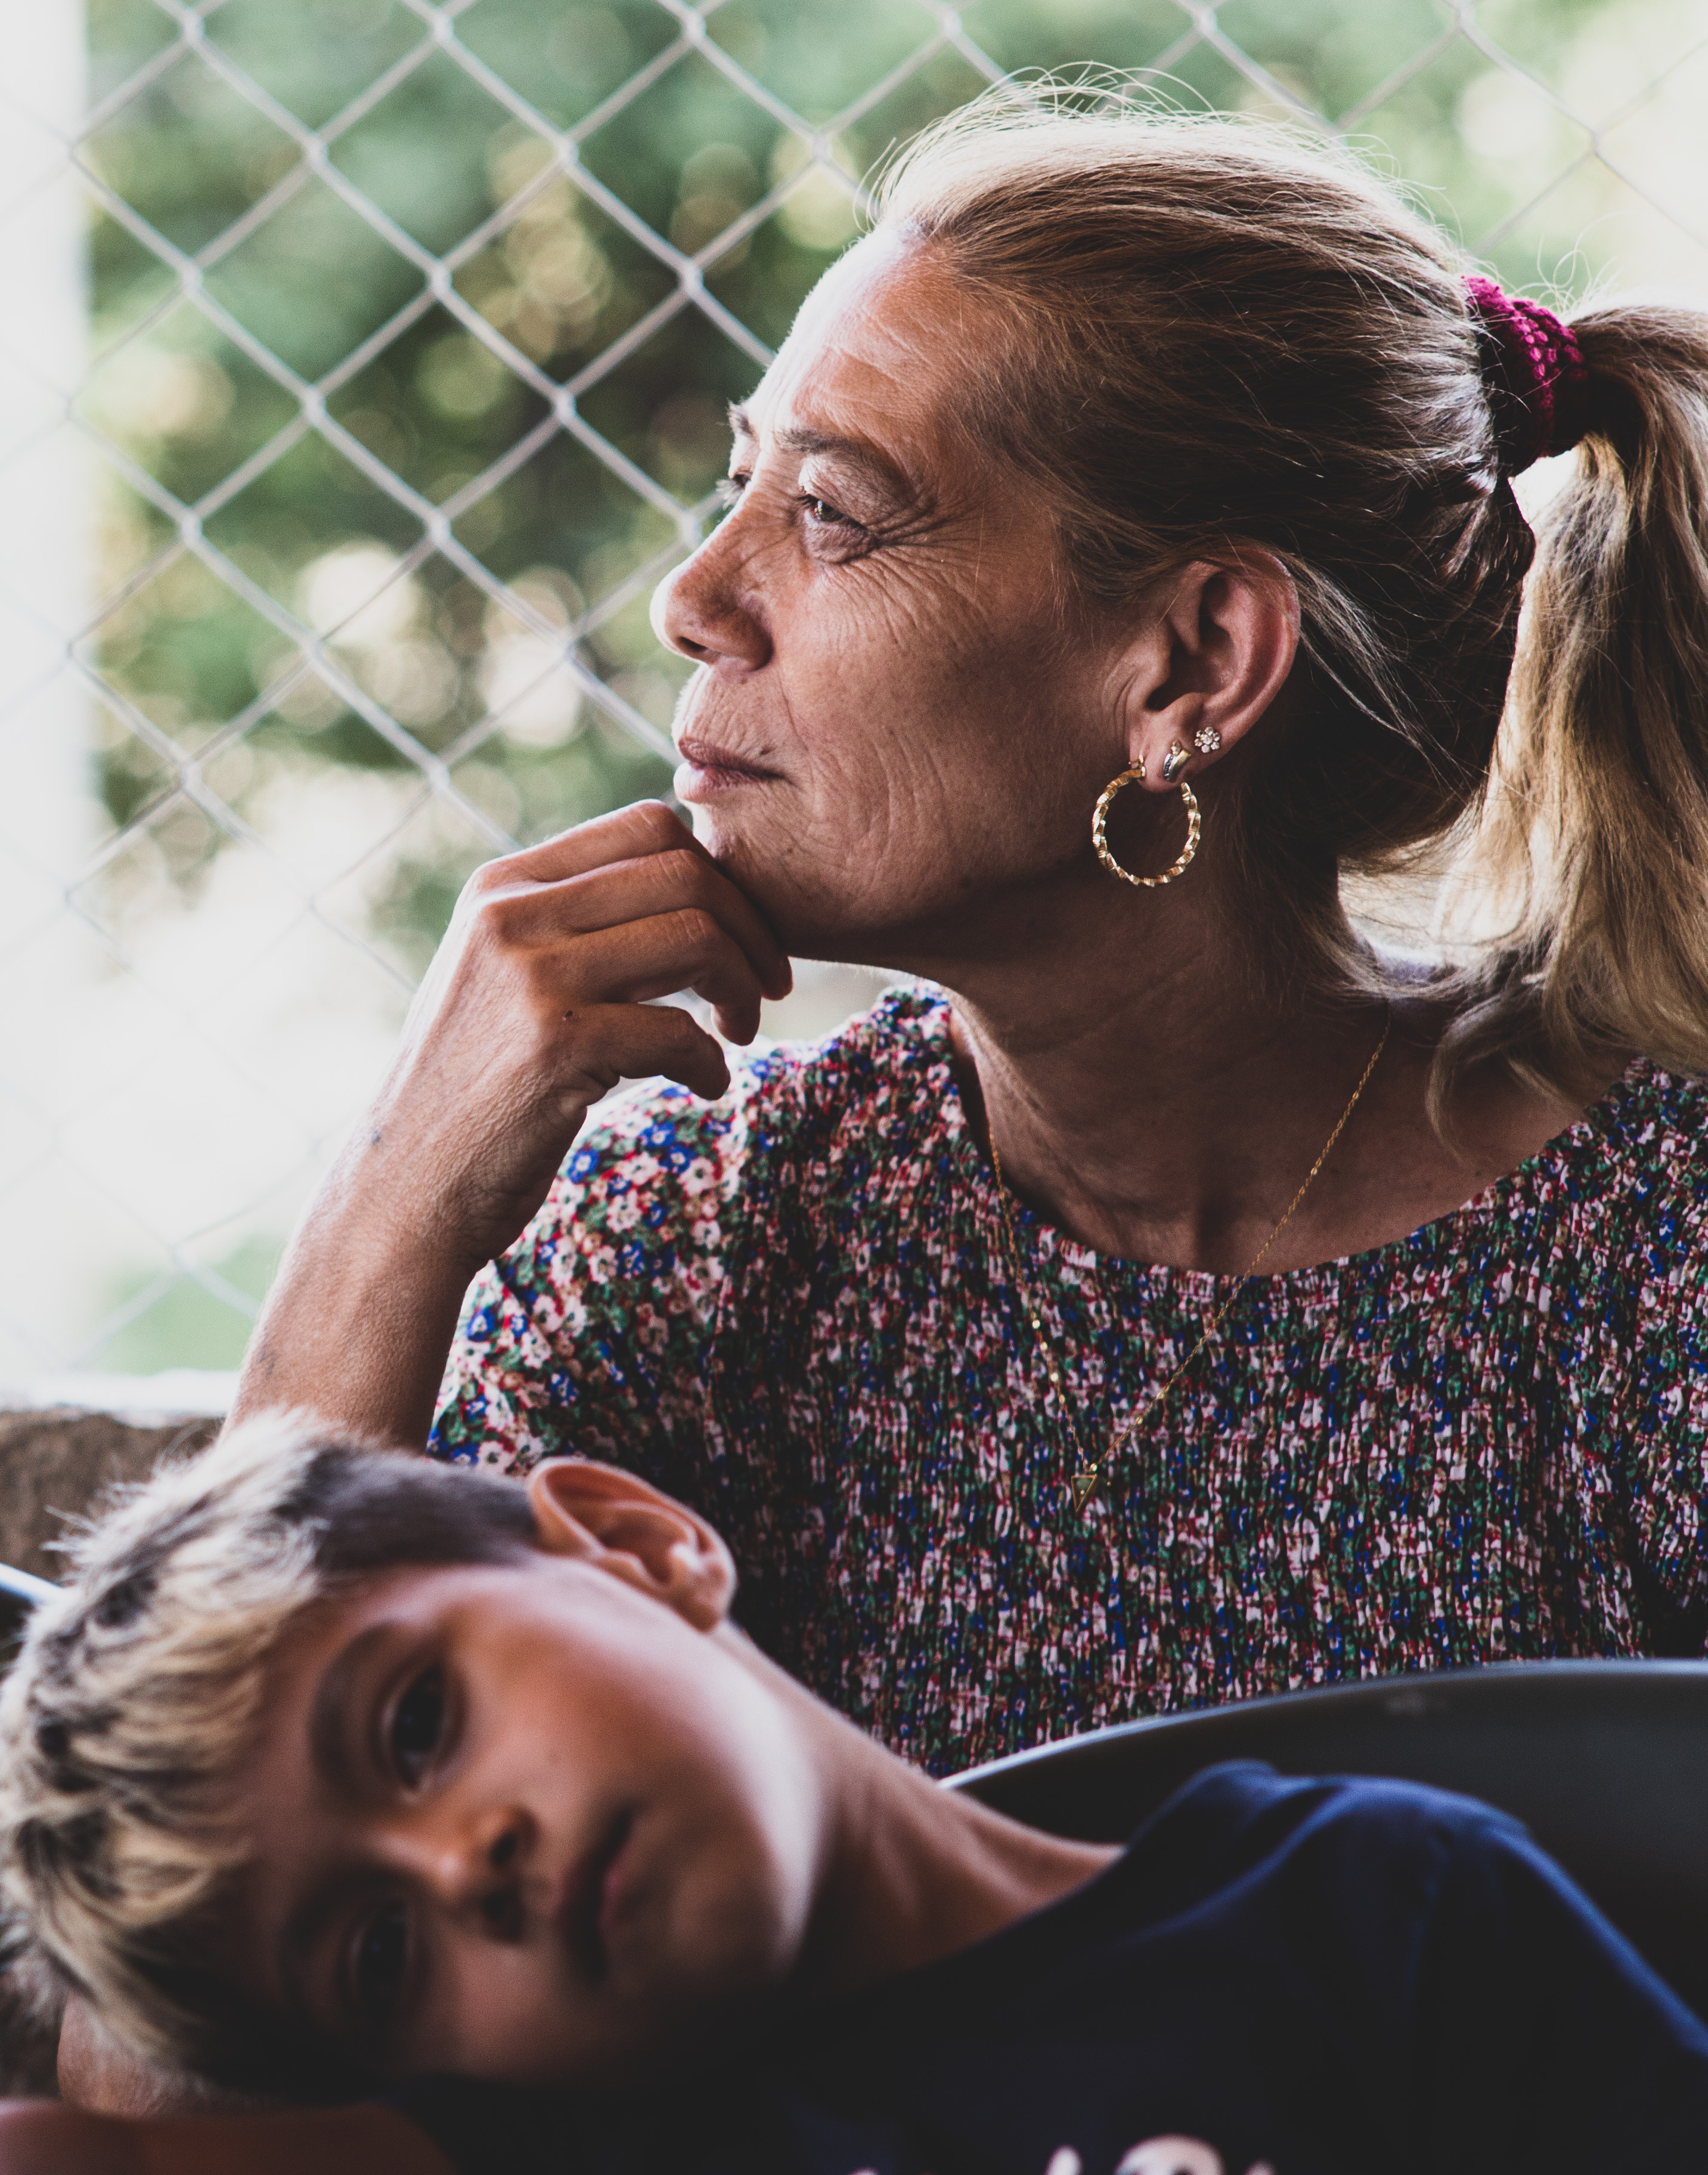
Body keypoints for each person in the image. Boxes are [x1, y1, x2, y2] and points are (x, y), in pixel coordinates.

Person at [235, 91, 1708, 1778]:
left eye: (836, 514)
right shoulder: (707, 1250)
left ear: (1192, 665)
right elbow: (170, 2025)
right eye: (739, 482)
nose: (693, 599)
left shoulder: (1656, 1269)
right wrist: (385, 1217)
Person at [0, 1417, 1708, 2174]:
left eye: (414, 1728)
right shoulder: (613, 2147)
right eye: (378, 1952)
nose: (466, 1867)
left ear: (630, 1543)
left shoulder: (1350, 1913)